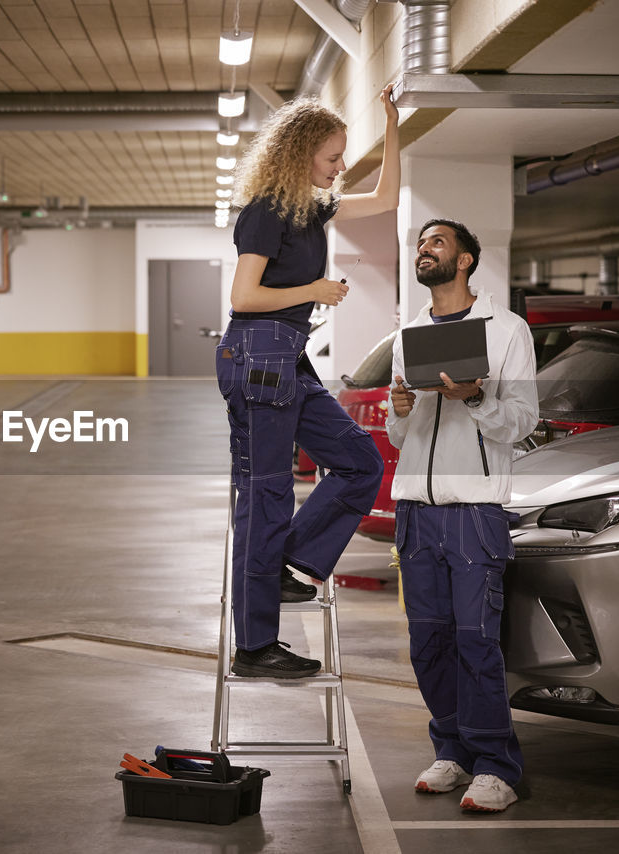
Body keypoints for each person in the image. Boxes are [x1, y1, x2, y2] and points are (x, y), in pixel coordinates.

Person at [214, 85, 400, 678]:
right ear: (299, 156)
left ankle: (288, 562)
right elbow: (244, 296)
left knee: (359, 462)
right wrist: (314, 291)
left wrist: (393, 121)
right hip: (257, 354)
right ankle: (255, 648)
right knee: (266, 497)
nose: (340, 168)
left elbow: (388, 195)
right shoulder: (266, 212)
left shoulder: (310, 209)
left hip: (286, 356)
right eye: (331, 158)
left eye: (342, 156)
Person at [386, 219, 538, 812]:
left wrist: (474, 398)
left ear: (467, 260)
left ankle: (497, 765)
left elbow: (523, 422)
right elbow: (404, 436)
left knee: (478, 641)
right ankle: (451, 749)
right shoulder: (410, 334)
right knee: (428, 641)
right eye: (421, 243)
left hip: (474, 510)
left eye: (437, 242)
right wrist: (400, 409)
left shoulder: (507, 331)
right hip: (416, 511)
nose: (424, 249)